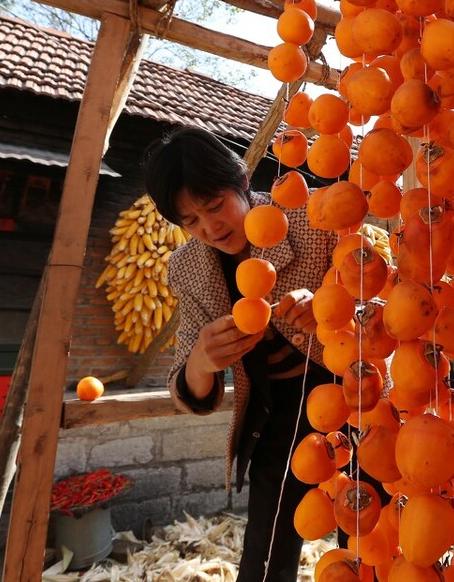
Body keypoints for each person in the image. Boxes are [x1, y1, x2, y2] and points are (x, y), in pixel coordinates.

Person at [144, 126, 341, 582]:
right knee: (265, 552)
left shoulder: (311, 216)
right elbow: (187, 380)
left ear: (242, 183)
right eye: (190, 221)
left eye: (215, 206)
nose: (210, 228)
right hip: (275, 414)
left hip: (350, 395)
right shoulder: (188, 267)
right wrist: (202, 362)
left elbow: (380, 298)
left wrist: (335, 313)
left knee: (369, 533)